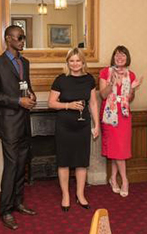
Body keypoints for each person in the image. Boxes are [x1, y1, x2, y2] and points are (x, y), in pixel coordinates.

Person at [0, 25, 37, 230]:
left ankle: (17, 202)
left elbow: (26, 85)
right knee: (11, 166)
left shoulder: (24, 62)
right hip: (8, 124)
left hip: (24, 122)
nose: (23, 41)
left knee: (22, 164)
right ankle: (5, 210)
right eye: (19, 37)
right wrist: (18, 101)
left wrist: (31, 95)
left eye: (24, 37)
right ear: (8, 39)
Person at [48, 48, 100, 212]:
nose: (75, 63)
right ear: (67, 62)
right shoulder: (61, 80)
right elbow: (51, 103)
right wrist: (68, 105)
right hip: (64, 126)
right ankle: (66, 195)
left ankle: (80, 194)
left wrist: (96, 124)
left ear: (83, 62)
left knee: (81, 162)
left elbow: (92, 103)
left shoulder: (89, 79)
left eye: (78, 60)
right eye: (72, 61)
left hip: (83, 125)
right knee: (63, 161)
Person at [99, 45, 140, 198]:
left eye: (123, 55)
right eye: (117, 55)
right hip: (110, 114)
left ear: (127, 58)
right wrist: (111, 83)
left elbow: (130, 98)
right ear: (113, 57)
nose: (120, 58)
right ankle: (124, 180)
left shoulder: (131, 75)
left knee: (120, 149)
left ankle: (112, 178)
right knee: (117, 150)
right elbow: (103, 95)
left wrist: (132, 90)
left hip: (123, 115)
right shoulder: (105, 72)